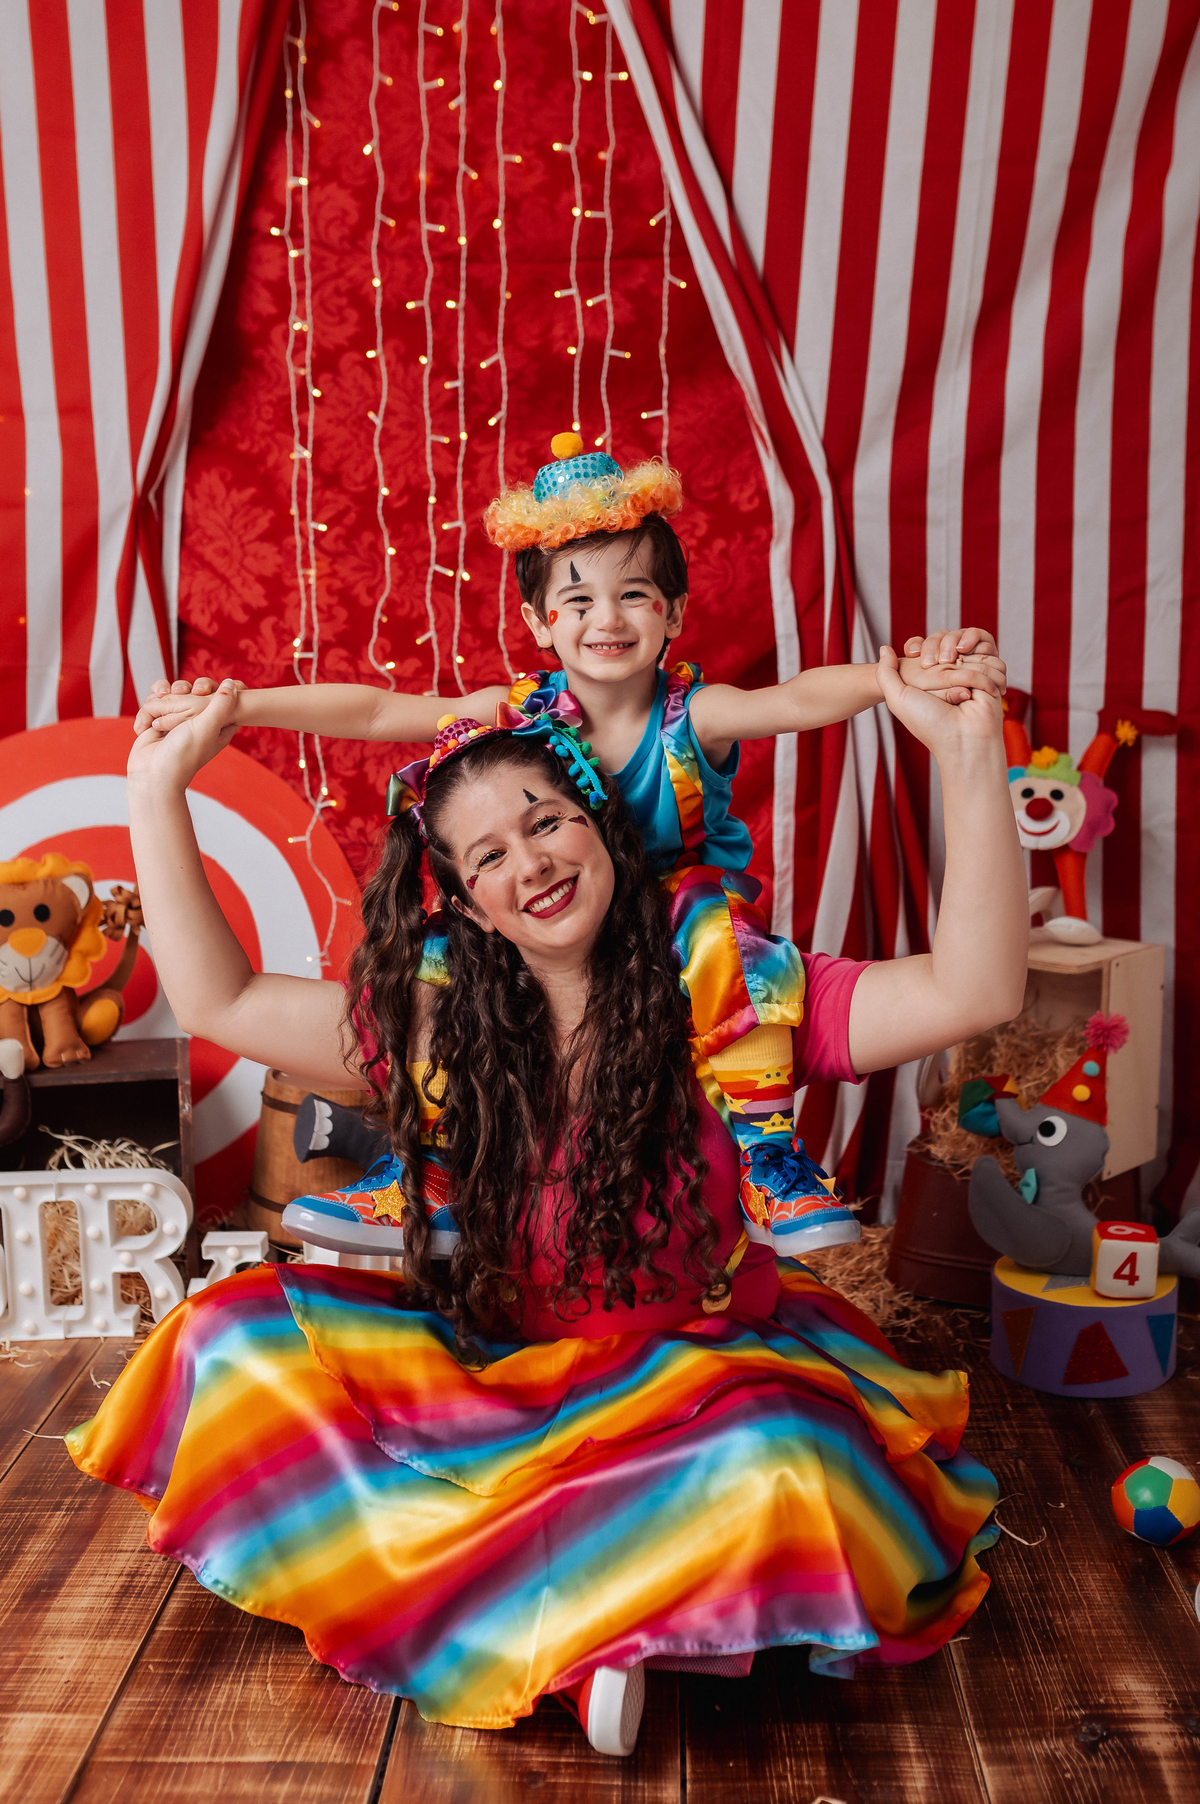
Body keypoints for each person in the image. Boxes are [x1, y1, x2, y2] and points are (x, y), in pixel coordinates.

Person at [69, 650, 1026, 1755]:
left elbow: (976, 989)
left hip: (698, 1383)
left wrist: (967, 754)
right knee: (225, 1340)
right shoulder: (437, 1023)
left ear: (600, 825)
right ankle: (597, 1624)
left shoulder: (732, 987)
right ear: (468, 904)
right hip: (500, 1374)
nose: (530, 863)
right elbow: (221, 998)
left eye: (547, 821)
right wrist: (157, 788)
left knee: (780, 1462)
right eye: (488, 855)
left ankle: (547, 1617)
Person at [137, 433, 1006, 1256]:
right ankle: (431, 1167)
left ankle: (768, 1153)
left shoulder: (694, 717)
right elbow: (374, 710)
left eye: (633, 595)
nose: (607, 619)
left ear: (673, 613)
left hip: (680, 919)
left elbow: (800, 698)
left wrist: (904, 682)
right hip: (522, 1007)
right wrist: (236, 709)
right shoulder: (521, 716)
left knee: (715, 933)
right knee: (435, 958)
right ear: (539, 621)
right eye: (579, 600)